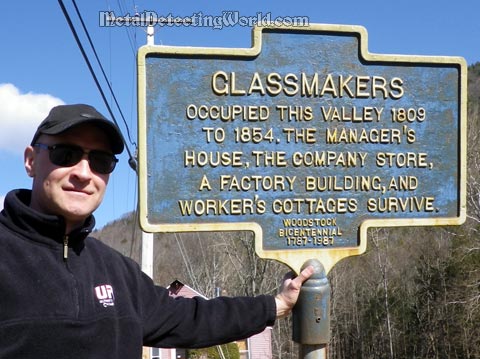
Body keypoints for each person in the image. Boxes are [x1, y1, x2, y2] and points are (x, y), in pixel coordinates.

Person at [0, 104, 314, 358]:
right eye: (65, 155)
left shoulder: (117, 270)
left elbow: (191, 318)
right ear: (30, 160)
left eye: (101, 161)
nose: (84, 173)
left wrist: (275, 305)